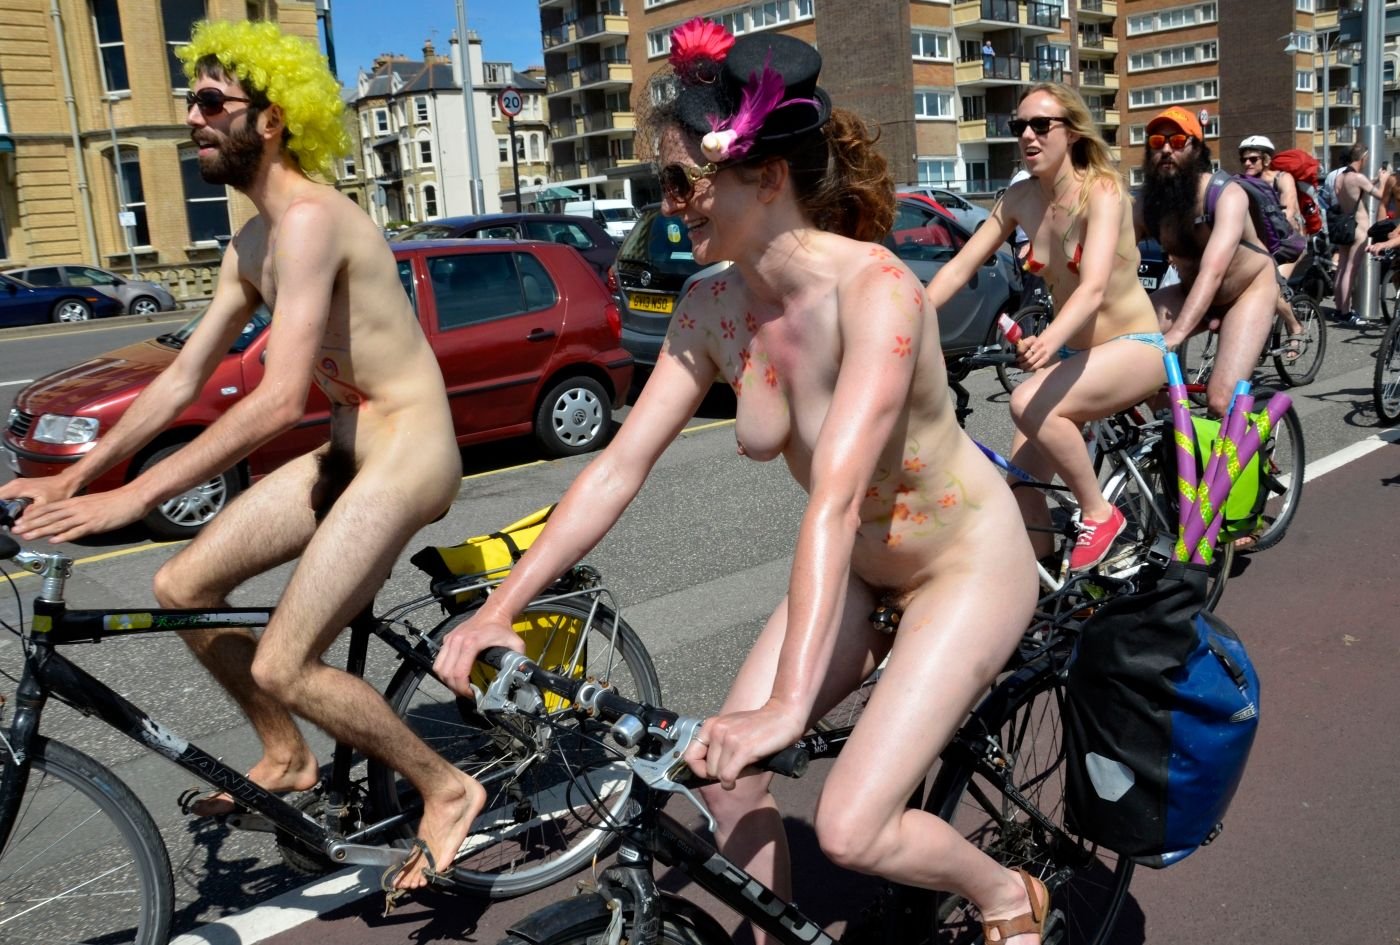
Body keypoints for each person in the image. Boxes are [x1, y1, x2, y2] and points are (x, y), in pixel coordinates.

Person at [433, 18, 1046, 945]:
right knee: (724, 779)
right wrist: (499, 609)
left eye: (684, 182)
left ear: (765, 176)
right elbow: (618, 466)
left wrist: (787, 708)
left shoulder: (876, 291)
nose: (669, 204)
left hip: (964, 563)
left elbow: (834, 495)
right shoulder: (710, 305)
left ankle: (1007, 894)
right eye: (662, 185)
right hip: (859, 567)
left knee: (850, 826)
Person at [0, 20, 481, 893]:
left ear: (273, 118)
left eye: (212, 101)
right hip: (347, 449)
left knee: (282, 661)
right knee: (181, 586)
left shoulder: (312, 222)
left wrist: (132, 497)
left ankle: (447, 787)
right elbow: (183, 378)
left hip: (409, 451)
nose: (193, 117)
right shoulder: (252, 241)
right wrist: (73, 475)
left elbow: (277, 397)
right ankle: (287, 752)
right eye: (193, 100)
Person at [927, 82, 1166, 571]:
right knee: (1020, 487)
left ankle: (1100, 514)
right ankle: (1045, 587)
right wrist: (907, 324)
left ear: (1072, 132)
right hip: (1077, 357)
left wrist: (1049, 339)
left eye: (1041, 125)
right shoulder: (1019, 197)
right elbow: (959, 267)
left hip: (1133, 347)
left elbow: (1093, 288)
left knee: (1024, 402)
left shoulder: (1102, 191)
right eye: (1019, 126)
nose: (1027, 136)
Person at [1136, 107, 1282, 421]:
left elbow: (1213, 271)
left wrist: (1176, 335)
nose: (1166, 149)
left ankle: (1248, 443)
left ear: (1197, 148)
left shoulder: (1225, 194)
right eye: (1158, 141)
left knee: (1220, 400)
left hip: (1246, 292)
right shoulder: (1147, 204)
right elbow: (1115, 259)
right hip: (1190, 291)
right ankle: (1173, 432)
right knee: (1131, 354)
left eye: (1178, 141)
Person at [1238, 135, 1307, 360]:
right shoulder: (1243, 184)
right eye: (1244, 159)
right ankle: (1260, 335)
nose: (1247, 163)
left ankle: (1296, 327)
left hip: (1288, 244)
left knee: (1273, 288)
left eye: (1253, 159)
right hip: (1261, 247)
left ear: (1266, 159)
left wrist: (1283, 214)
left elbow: (1289, 210)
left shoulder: (1282, 178)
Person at [1332, 144, 1385, 325]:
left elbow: (1357, 187)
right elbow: (1381, 195)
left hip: (1344, 226)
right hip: (1358, 228)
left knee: (1341, 268)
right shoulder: (1358, 178)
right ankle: (1346, 313)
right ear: (1363, 158)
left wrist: (1374, 179)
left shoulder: (1340, 177)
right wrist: (1383, 181)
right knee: (1350, 270)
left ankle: (1339, 309)